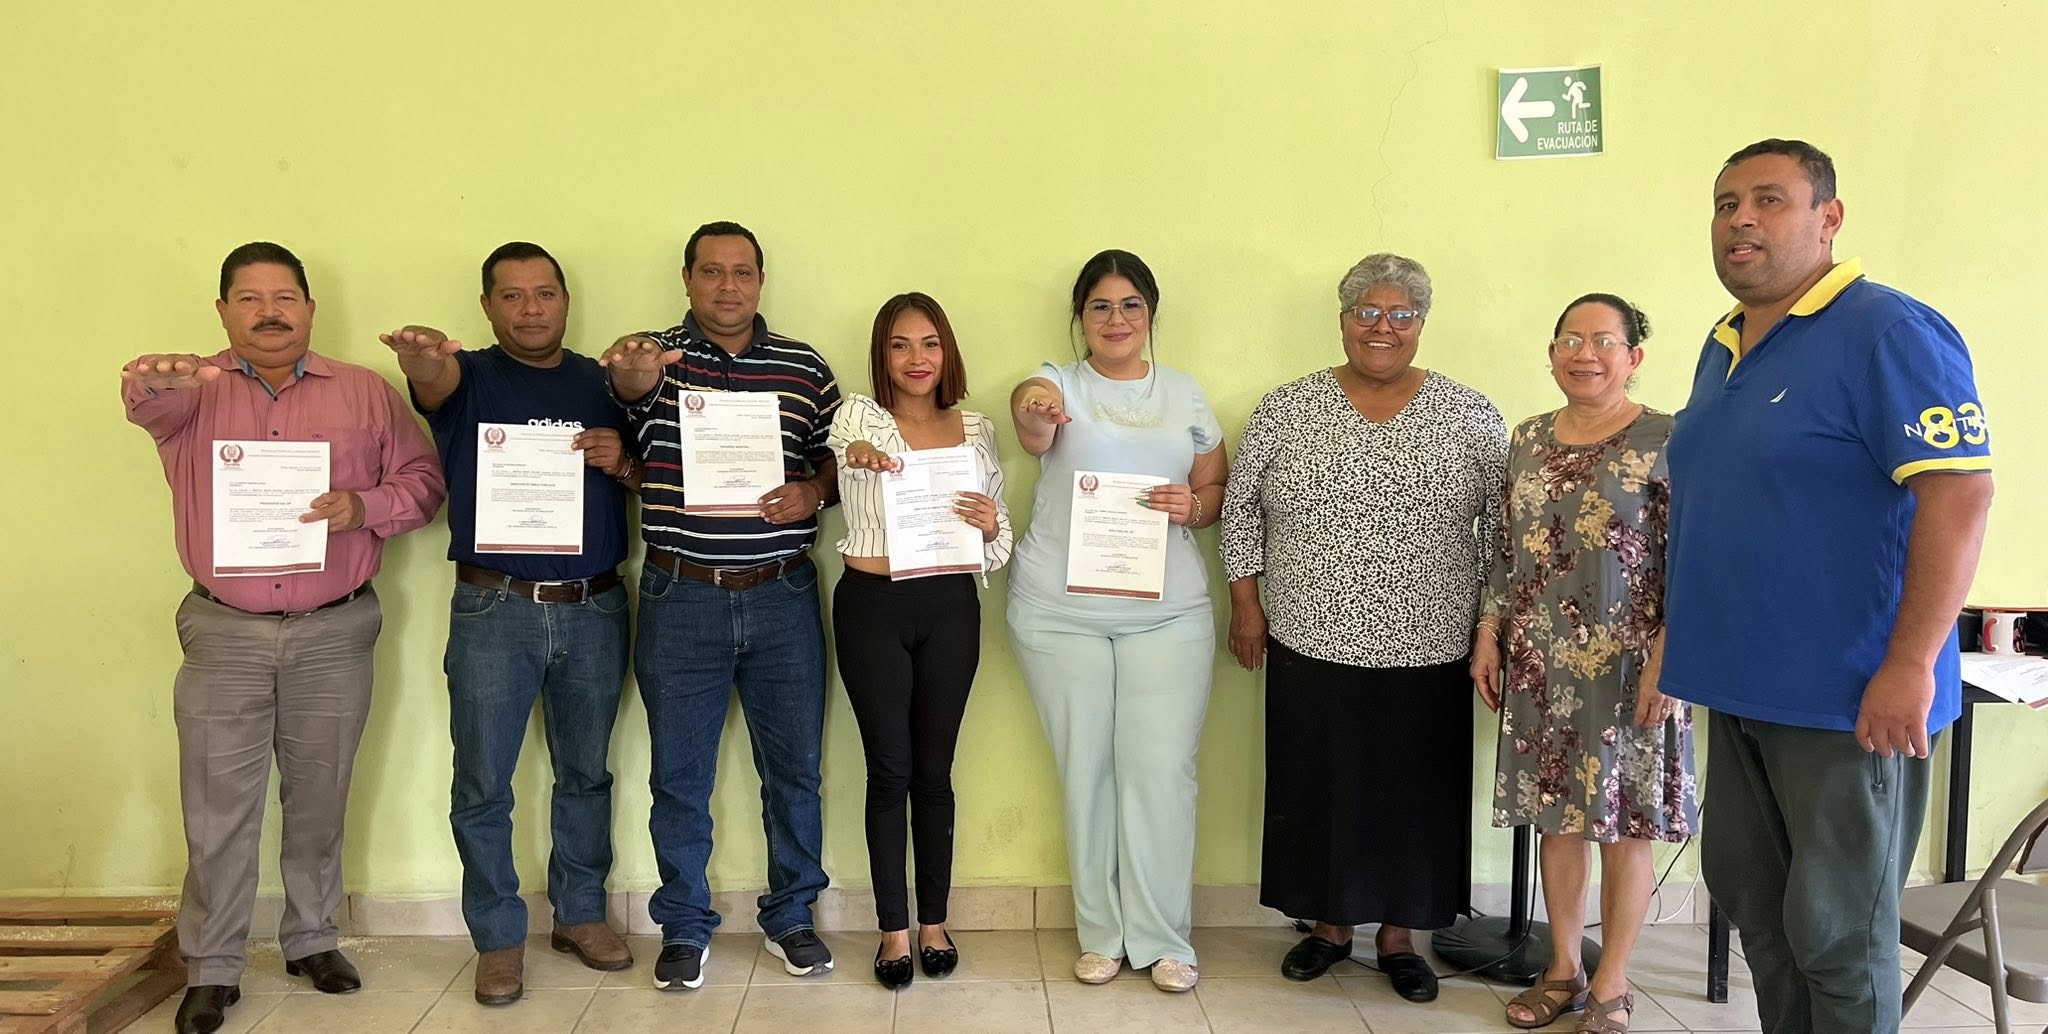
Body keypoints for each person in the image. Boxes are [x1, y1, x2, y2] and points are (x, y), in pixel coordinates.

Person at [1665, 139, 1993, 1034]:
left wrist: (1911, 664)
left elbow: (1960, 495)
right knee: (1763, 917)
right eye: (1726, 203)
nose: (1740, 219)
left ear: (1829, 218)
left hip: (1848, 701)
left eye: (1769, 200)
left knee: (1838, 937)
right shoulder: (1725, 344)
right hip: (1739, 686)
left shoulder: (1888, 331)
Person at [121, 242, 445, 1034]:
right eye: (249, 298)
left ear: (309, 307)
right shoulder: (191, 391)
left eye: (285, 297)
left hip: (334, 628)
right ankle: (213, 965)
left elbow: (424, 484)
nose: (269, 312)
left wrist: (362, 507)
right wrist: (156, 376)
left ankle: (312, 939)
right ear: (223, 310)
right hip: (225, 631)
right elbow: (142, 398)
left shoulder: (365, 392)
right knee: (217, 807)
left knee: (319, 797)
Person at [1220, 252, 1506, 1003]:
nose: (1383, 327)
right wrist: (1246, 604)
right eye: (1367, 312)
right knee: (1320, 788)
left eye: (1400, 314)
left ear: (1421, 323)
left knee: (1413, 796)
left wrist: (1488, 627)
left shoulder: (1471, 415)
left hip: (1430, 643)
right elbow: (1242, 509)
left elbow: (1501, 536)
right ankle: (1329, 928)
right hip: (1310, 636)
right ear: (1343, 320)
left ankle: (1400, 938)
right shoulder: (1286, 407)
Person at [383, 242, 640, 1005]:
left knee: (586, 774)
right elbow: (430, 379)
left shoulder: (602, 383)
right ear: (487, 307)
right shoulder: (467, 377)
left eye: (545, 293)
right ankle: (498, 938)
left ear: (566, 301)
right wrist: (420, 356)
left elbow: (643, 470)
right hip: (494, 609)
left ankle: (580, 913)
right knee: (483, 781)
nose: (531, 308)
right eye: (513, 295)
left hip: (595, 607)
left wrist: (620, 459)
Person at [597, 221, 842, 991]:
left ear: (760, 281)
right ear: (688, 278)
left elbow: (837, 460)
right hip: (682, 597)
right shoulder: (651, 358)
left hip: (783, 594)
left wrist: (814, 490)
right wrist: (633, 379)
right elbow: (624, 416)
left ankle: (792, 915)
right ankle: (683, 924)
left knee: (795, 772)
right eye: (711, 271)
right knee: (679, 776)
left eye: (742, 272)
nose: (727, 286)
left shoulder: (804, 367)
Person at [1471, 294, 1698, 1032]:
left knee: (1626, 827)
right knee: (1557, 821)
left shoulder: (1670, 437)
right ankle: (1563, 969)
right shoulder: (1528, 437)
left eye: (1603, 340)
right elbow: (1506, 551)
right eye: (1570, 339)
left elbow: (1695, 558)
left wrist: (1670, 657)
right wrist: (1489, 633)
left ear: (1634, 357)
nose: (1585, 354)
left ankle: (1613, 982)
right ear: (1551, 354)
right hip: (1542, 664)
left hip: (1635, 668)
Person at [1005, 249, 1226, 993]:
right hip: (1058, 614)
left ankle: (1164, 940)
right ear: (1080, 317)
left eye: (1131, 304)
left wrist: (1194, 507)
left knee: (1159, 772)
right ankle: (1102, 934)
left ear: (1151, 314)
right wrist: (1035, 407)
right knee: (1086, 771)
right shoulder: (1059, 383)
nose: (1116, 318)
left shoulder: (1185, 392)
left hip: (1168, 616)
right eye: (1100, 306)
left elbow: (1213, 482)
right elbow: (1032, 419)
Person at [828, 292, 1013, 989]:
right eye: (900, 344)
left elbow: (998, 540)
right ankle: (893, 932)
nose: (916, 358)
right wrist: (862, 455)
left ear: (947, 352)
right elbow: (845, 450)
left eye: (929, 343)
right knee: (889, 772)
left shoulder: (977, 429)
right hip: (872, 605)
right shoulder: (859, 416)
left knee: (935, 773)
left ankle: (934, 922)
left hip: (949, 606)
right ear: (882, 354)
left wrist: (991, 524)